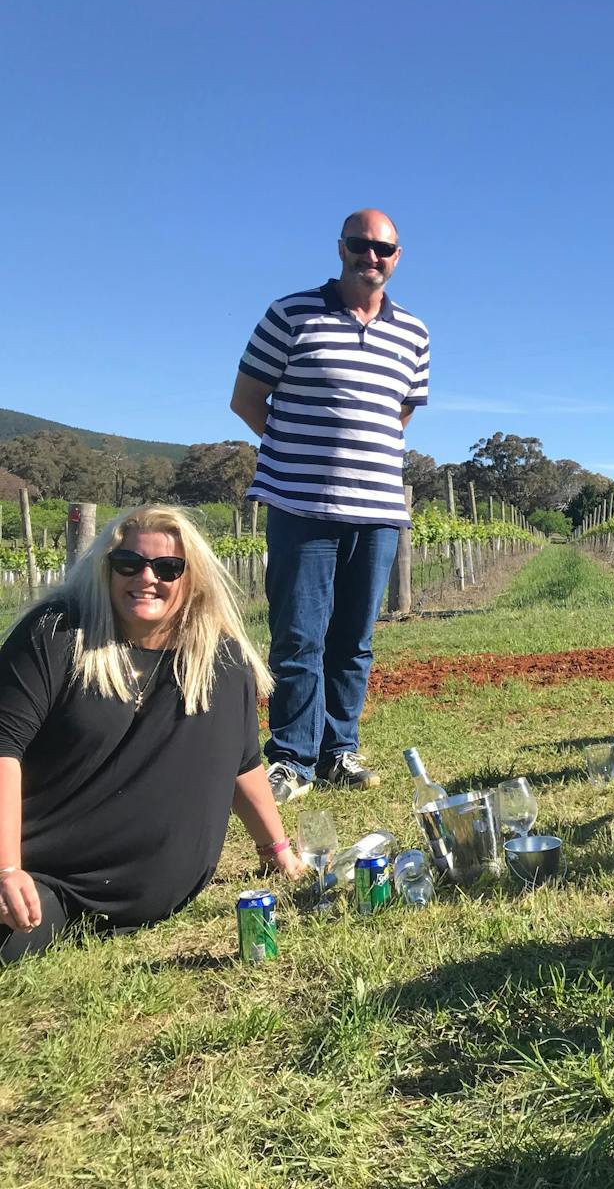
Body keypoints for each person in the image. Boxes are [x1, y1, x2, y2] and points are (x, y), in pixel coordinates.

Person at [0, 506, 305, 962]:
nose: (146, 577)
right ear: (106, 567)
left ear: (191, 578)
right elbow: (3, 750)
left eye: (167, 568)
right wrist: (6, 869)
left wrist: (276, 849)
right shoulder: (57, 635)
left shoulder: (219, 661)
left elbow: (242, 762)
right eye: (129, 563)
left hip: (146, 897)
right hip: (47, 882)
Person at [230, 209, 430, 802]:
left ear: (398, 257)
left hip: (378, 511)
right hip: (303, 505)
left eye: (383, 249)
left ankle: (339, 749)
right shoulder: (291, 314)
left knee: (355, 639)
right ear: (340, 249)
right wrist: (301, 455)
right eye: (360, 245)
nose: (372, 257)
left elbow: (402, 412)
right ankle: (292, 757)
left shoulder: (414, 333)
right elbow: (246, 399)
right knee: (299, 636)